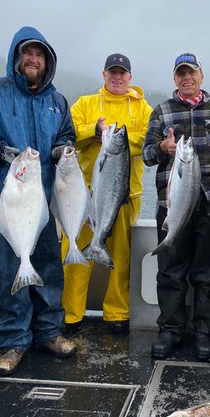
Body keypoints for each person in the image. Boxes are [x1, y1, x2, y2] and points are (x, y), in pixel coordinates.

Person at [0, 27, 77, 374]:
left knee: (48, 267)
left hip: (41, 203)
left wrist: (62, 149)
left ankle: (49, 332)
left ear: (47, 62)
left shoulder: (56, 101)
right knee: (4, 274)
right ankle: (12, 341)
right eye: (27, 53)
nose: (33, 60)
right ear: (16, 56)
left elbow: (65, 135)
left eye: (39, 54)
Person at [142, 53, 210, 360]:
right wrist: (162, 147)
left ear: (201, 76)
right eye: (181, 74)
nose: (186, 78)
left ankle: (204, 333)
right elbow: (146, 154)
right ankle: (170, 332)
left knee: (209, 272)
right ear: (175, 79)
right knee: (170, 271)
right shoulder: (162, 110)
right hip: (173, 203)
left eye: (191, 72)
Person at [62, 54, 152, 338]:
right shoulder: (85, 104)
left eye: (122, 73)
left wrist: (116, 138)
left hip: (125, 194)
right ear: (103, 75)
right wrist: (93, 131)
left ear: (130, 77)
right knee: (75, 253)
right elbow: (67, 133)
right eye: (112, 72)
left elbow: (148, 138)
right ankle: (71, 314)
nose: (117, 77)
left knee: (122, 256)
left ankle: (118, 313)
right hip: (82, 194)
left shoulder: (143, 107)